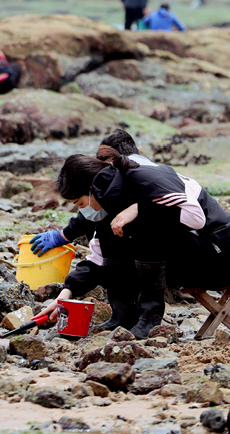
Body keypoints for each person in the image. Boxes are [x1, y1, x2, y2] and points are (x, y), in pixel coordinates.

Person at [44, 151, 230, 340]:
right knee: (113, 230)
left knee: (143, 226)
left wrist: (139, 208)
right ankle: (123, 316)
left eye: (79, 203)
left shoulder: (144, 178)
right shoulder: (110, 200)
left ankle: (150, 320)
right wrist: (66, 293)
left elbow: (196, 217)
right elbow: (98, 258)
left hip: (221, 258)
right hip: (184, 260)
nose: (82, 210)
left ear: (91, 188)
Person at [30, 129, 156, 332]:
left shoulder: (137, 180)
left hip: (171, 256)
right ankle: (124, 316)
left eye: (105, 159)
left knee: (112, 241)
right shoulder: (109, 192)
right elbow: (88, 220)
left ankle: (138, 318)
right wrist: (67, 292)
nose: (104, 166)